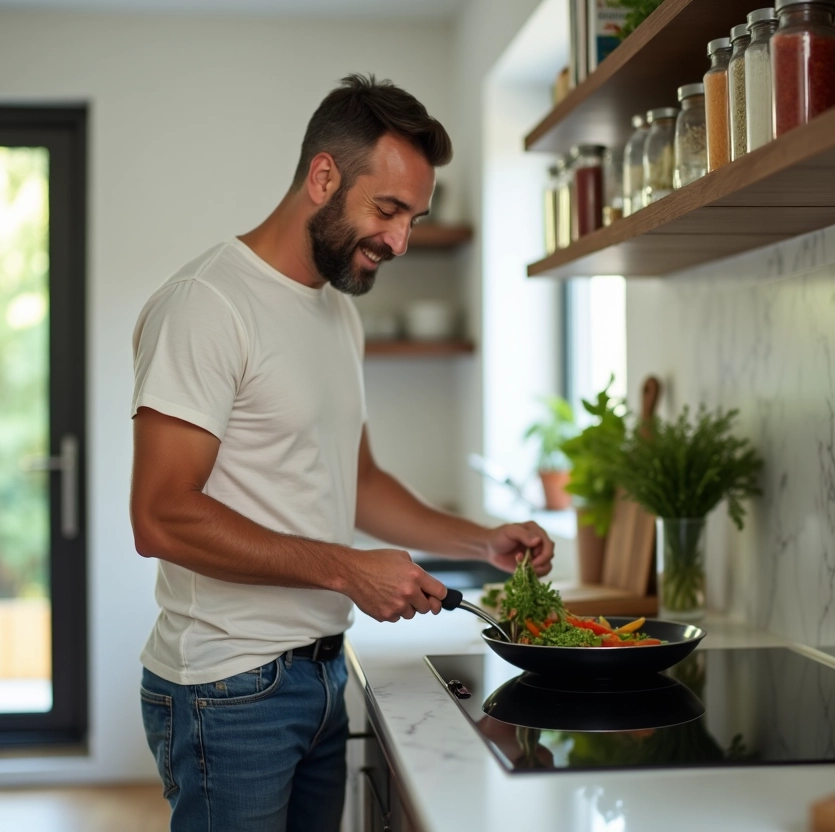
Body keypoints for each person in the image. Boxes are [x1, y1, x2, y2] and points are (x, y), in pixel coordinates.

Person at [129, 74, 554, 832]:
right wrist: (348, 568)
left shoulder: (336, 314)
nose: (399, 240)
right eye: (387, 210)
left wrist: (480, 540)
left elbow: (356, 483)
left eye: (413, 218)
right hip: (229, 688)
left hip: (322, 671)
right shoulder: (207, 304)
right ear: (323, 176)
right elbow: (160, 517)